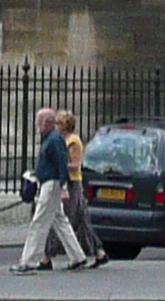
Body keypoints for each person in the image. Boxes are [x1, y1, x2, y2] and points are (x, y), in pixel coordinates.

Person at [13, 106, 85, 273]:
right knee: (60, 221)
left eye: (39, 120)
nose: (36, 124)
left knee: (39, 222)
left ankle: (29, 262)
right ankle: (77, 256)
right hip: (49, 182)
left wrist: (64, 186)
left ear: (46, 122)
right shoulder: (50, 138)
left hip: (52, 184)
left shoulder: (54, 139)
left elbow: (62, 163)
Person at [56, 112, 106, 267]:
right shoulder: (64, 140)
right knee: (82, 221)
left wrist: (57, 165)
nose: (56, 126)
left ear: (65, 125)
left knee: (66, 220)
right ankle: (99, 252)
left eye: (59, 123)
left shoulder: (73, 141)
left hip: (73, 183)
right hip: (68, 182)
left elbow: (75, 165)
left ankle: (48, 255)